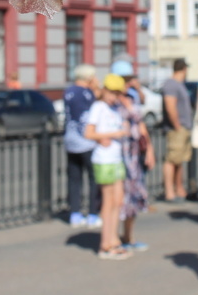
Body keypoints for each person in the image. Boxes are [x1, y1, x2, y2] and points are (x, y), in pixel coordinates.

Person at [85, 74, 133, 260]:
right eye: (111, 92)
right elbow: (89, 132)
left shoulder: (114, 108)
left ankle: (113, 239)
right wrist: (111, 134)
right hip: (104, 159)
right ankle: (105, 243)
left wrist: (122, 129)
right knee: (109, 201)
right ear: (104, 90)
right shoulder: (98, 107)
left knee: (118, 201)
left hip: (115, 157)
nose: (114, 96)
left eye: (117, 93)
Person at [118, 77, 155, 252]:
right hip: (118, 157)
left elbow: (140, 125)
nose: (129, 83)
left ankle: (129, 237)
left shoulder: (132, 97)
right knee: (118, 200)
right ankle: (113, 239)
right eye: (126, 80)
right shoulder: (111, 103)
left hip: (133, 156)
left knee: (133, 198)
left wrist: (149, 149)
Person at [64, 64, 102, 228]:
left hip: (71, 141)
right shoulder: (86, 93)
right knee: (94, 179)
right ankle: (93, 214)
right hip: (86, 142)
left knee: (74, 179)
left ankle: (75, 213)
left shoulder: (68, 91)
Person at [162, 58, 193, 202]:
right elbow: (170, 106)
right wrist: (177, 126)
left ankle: (178, 188)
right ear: (183, 69)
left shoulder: (178, 84)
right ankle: (169, 191)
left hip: (183, 127)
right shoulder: (171, 84)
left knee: (179, 159)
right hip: (177, 128)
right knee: (172, 159)